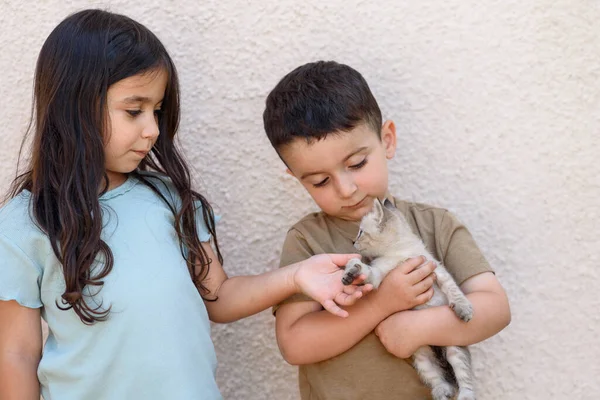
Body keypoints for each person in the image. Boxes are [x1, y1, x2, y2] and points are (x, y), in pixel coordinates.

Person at [0, 12, 371, 400]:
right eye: (133, 110)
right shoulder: (25, 227)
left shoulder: (169, 199)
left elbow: (220, 297)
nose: (153, 129)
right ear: (73, 105)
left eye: (157, 111)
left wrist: (297, 276)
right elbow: (17, 354)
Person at [263, 60, 511, 399]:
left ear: (387, 140)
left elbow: (495, 308)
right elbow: (294, 343)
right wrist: (380, 304)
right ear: (297, 178)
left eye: (357, 164)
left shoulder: (436, 225)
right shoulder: (307, 241)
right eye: (320, 181)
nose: (346, 189)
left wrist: (419, 326)